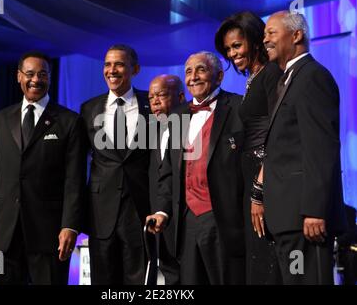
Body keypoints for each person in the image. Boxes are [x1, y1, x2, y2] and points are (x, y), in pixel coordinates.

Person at [0, 51, 86, 284]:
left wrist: (70, 226)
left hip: (50, 233)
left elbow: (74, 180)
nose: (36, 80)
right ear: (18, 76)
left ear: (50, 78)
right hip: (5, 233)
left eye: (43, 74)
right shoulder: (0, 119)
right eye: (30, 74)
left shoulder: (69, 121)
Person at [261, 11, 347, 284]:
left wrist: (315, 210)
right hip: (287, 218)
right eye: (264, 35)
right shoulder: (287, 78)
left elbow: (320, 148)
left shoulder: (312, 77)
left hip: (304, 219)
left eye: (272, 33)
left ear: (297, 35)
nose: (265, 40)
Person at [146, 51, 245, 284]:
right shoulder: (177, 115)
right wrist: (162, 211)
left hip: (224, 219)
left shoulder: (239, 108)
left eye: (201, 69)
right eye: (188, 71)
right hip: (187, 220)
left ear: (219, 76)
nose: (193, 77)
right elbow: (168, 171)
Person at [215, 11, 282, 284]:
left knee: (267, 261)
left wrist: (258, 192)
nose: (232, 54)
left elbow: (277, 134)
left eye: (237, 45)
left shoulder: (272, 73)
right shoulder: (254, 77)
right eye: (228, 49)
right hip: (251, 176)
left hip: (265, 180)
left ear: (255, 40)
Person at [80, 44, 151, 284]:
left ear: (135, 69)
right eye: (108, 64)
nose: (112, 70)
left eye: (119, 64)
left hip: (140, 210)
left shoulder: (151, 105)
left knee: (138, 281)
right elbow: (78, 163)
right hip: (100, 212)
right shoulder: (88, 109)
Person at [148, 74, 185, 284]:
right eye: (151, 96)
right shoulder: (151, 131)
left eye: (161, 95)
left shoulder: (191, 127)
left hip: (186, 224)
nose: (155, 101)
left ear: (180, 96)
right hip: (162, 223)